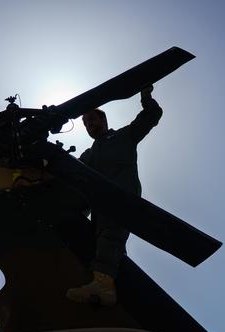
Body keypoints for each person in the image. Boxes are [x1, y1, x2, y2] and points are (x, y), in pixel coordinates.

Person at [66, 84, 163, 306]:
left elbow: (151, 115)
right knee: (102, 242)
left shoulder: (124, 136)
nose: (90, 124)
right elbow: (69, 175)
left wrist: (146, 96)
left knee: (111, 235)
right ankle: (114, 287)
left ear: (104, 121)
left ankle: (103, 285)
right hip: (99, 208)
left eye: (93, 120)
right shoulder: (87, 155)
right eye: (86, 123)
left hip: (121, 198)